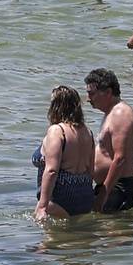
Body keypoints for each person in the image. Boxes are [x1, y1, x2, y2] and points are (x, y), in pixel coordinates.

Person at [34, 85, 98, 220]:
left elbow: (51, 170)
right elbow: (91, 171)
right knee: (78, 239)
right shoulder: (88, 132)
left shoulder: (57, 131)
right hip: (85, 196)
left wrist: (42, 206)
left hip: (60, 197)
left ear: (56, 106)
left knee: (52, 241)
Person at [87, 69, 133, 213]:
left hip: (119, 186)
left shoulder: (120, 114)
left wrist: (104, 193)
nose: (88, 98)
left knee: (113, 233)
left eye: (92, 93)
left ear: (108, 92)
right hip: (110, 185)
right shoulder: (111, 113)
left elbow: (120, 158)